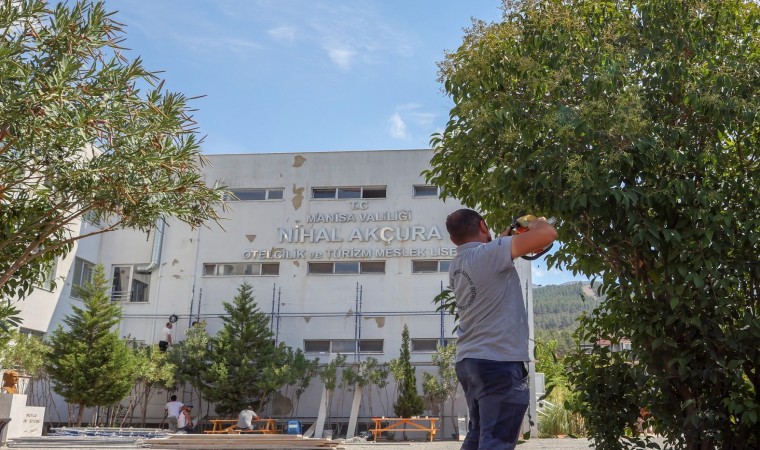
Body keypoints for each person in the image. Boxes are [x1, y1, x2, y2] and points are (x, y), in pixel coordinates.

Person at [445, 209, 557, 450]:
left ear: (454, 239)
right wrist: (534, 223)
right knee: (496, 443)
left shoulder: (456, 265)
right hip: (498, 362)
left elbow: (489, 254)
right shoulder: (491, 253)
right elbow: (548, 233)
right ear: (483, 226)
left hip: (470, 362)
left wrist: (504, 239)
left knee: (478, 438)